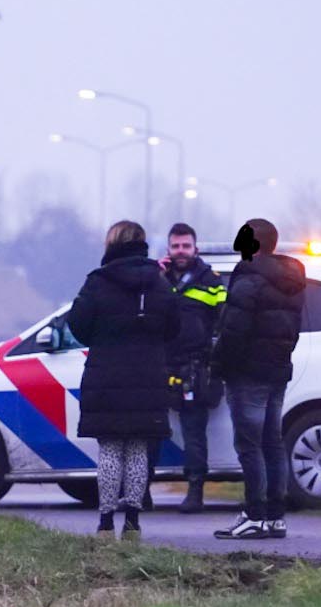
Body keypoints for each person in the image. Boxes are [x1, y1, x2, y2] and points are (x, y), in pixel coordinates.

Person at [66, 221, 180, 538]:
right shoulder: (159, 282)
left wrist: (100, 337)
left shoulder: (97, 282)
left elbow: (77, 324)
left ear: (111, 244)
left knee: (111, 450)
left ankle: (105, 522)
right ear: (142, 244)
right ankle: (132, 522)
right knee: (139, 450)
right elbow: (174, 327)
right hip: (149, 375)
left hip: (106, 375)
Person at [210, 217, 304, 540]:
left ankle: (254, 515)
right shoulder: (291, 279)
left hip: (247, 373)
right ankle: (276, 517)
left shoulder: (249, 277)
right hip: (277, 370)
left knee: (249, 446)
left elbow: (233, 331)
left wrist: (218, 365)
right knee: (272, 444)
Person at [159, 223, 228, 513]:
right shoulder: (158, 279)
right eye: (175, 246)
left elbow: (223, 321)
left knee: (193, 433)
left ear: (195, 249)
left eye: (186, 246)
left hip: (194, 366)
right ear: (168, 249)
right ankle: (142, 492)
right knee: (150, 429)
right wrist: (156, 276)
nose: (181, 251)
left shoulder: (210, 281)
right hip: (160, 364)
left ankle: (195, 490)